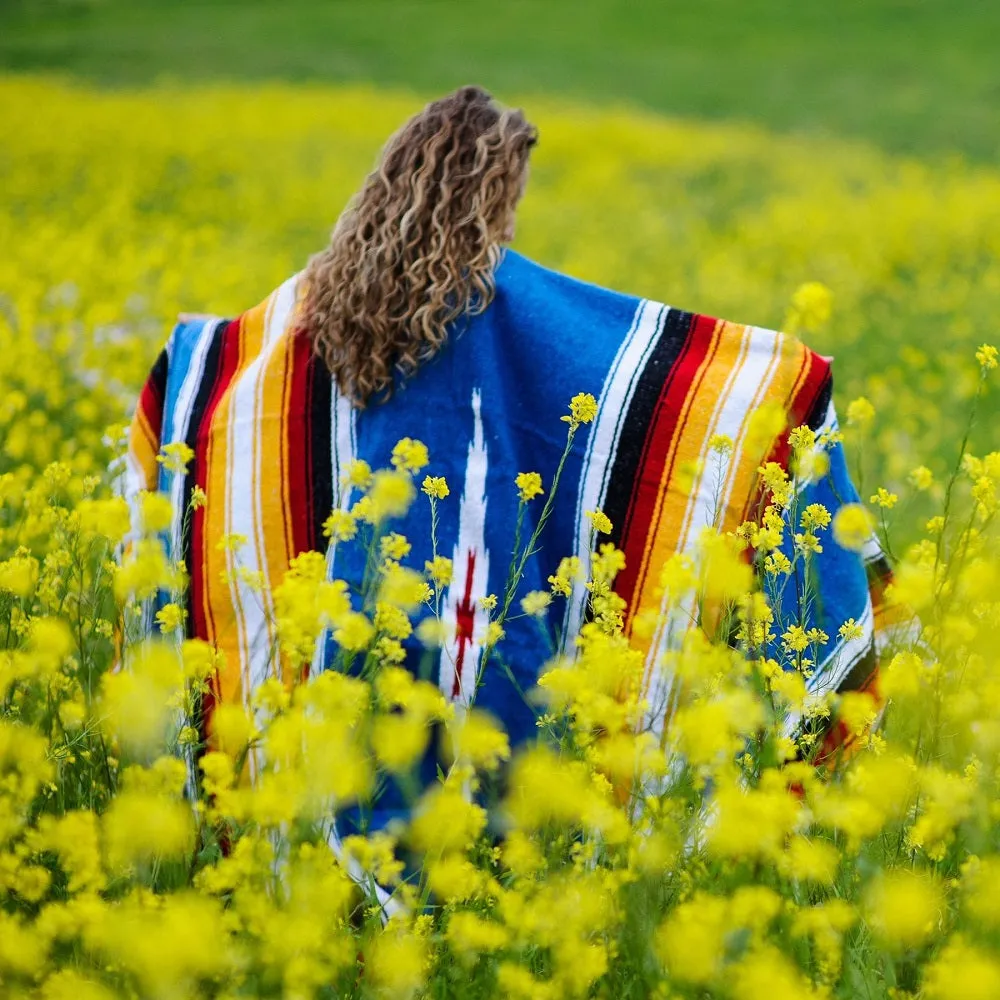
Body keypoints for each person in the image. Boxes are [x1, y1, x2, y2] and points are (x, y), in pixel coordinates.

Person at [124, 85, 891, 833]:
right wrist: (786, 395)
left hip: (343, 645)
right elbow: (645, 387)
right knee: (497, 821)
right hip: (487, 645)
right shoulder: (509, 302)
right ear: (493, 192)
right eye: (512, 198)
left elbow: (209, 387)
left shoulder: (305, 311)